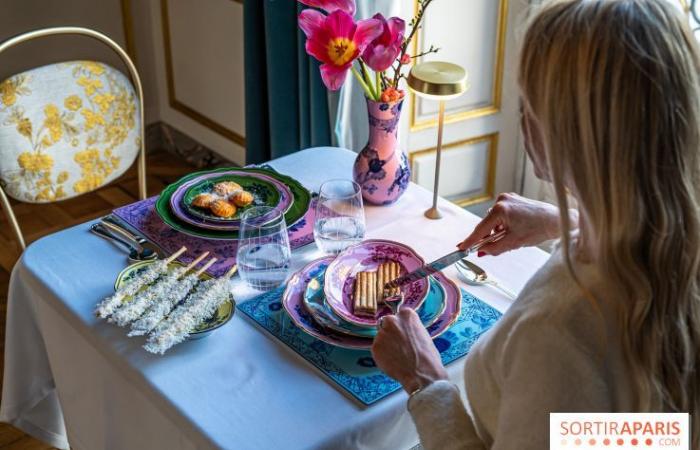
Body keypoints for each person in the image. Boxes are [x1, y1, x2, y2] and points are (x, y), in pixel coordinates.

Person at [371, 0, 700, 448]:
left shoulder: (556, 338)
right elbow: (648, 436)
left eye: (528, 103)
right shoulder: (673, 244)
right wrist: (566, 224)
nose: (523, 120)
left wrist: (425, 383)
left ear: (549, 137)